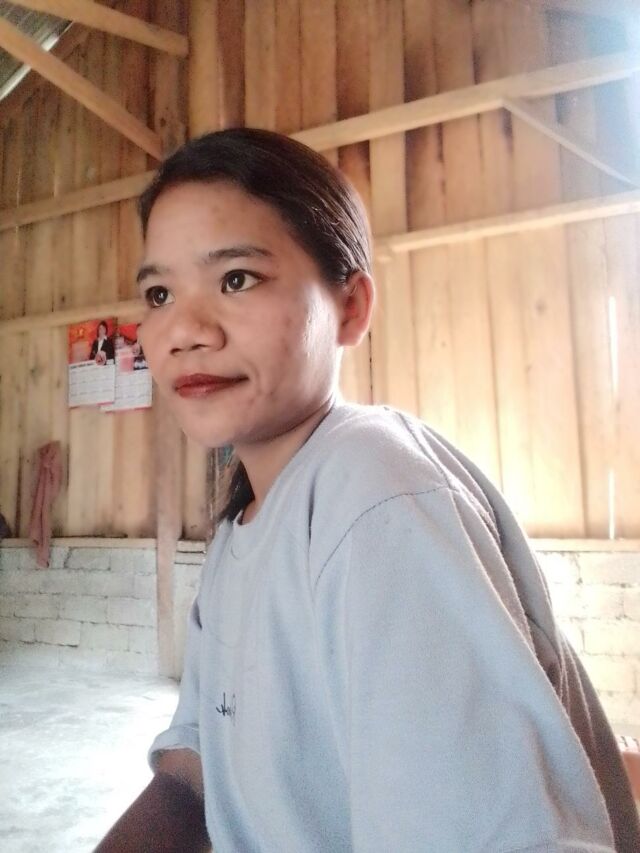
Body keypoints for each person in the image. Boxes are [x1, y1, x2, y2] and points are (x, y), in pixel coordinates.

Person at [94, 129, 640, 853]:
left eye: (237, 279)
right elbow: (195, 772)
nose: (184, 331)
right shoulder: (238, 532)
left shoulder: (373, 489)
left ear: (350, 306)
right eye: (159, 294)